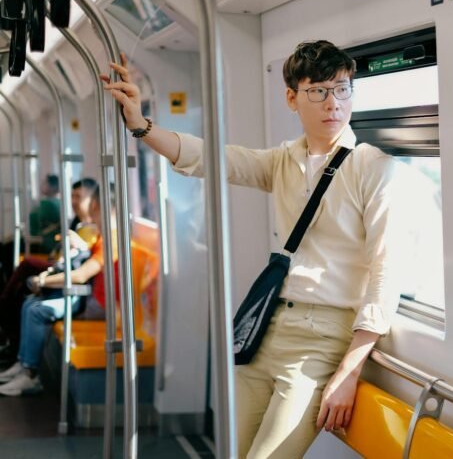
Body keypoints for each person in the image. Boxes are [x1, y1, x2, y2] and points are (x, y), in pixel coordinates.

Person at [102, 42, 404, 458]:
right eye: (318, 90)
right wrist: (140, 125)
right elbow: (214, 159)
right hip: (268, 329)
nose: (333, 102)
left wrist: (349, 370)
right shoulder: (284, 160)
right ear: (292, 98)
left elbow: (386, 272)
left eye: (342, 89)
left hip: (323, 340)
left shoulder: (374, 168)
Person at [0, 184, 117, 396]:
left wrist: (44, 281)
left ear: (97, 206)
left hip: (95, 303)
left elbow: (81, 275)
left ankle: (30, 374)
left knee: (36, 309)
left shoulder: (112, 239)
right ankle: (24, 363)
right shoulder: (99, 235)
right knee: (30, 303)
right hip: (85, 293)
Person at [0, 178, 100, 361]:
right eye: (72, 196)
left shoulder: (96, 232)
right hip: (62, 268)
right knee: (27, 297)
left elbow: (82, 271)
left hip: (76, 285)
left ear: (92, 201)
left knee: (28, 272)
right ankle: (19, 356)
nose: (74, 201)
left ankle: (27, 365)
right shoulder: (77, 223)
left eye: (79, 196)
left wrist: (44, 279)